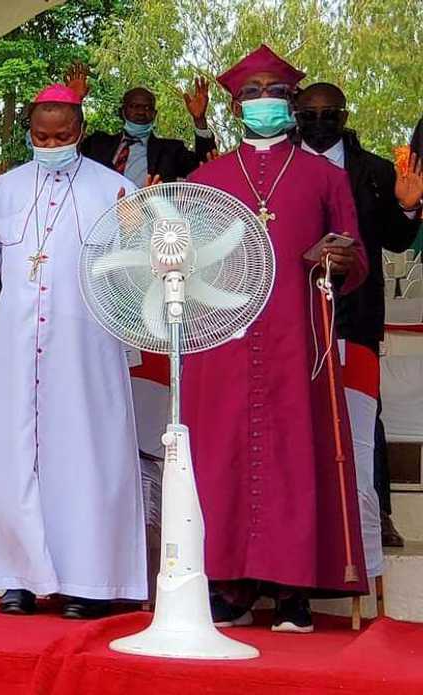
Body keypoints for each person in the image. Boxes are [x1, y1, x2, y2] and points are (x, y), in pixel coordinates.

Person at [0, 83, 147, 619]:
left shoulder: (115, 188)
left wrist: (137, 236)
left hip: (84, 345)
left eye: (63, 135)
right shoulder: (5, 186)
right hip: (16, 340)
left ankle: (90, 582)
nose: (51, 143)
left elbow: (133, 274)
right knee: (12, 455)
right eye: (41, 135)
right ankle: (19, 576)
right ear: (29, 132)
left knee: (84, 458)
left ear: (79, 130)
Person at [184, 45, 369, 633]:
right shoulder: (206, 177)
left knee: (296, 455)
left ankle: (294, 592)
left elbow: (356, 255)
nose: (266, 101)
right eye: (254, 93)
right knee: (225, 458)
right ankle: (231, 588)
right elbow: (183, 261)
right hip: (225, 339)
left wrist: (337, 259)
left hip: (299, 339)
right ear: (237, 106)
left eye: (277, 93)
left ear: (290, 103)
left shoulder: (327, 176)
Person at [295, 82, 423, 559]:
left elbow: (395, 239)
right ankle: (304, 508)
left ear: (344, 117)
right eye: (310, 114)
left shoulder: (374, 171)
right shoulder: (281, 168)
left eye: (330, 114)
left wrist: (409, 205)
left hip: (357, 310)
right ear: (296, 116)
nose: (320, 123)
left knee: (364, 411)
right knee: (298, 407)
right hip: (296, 309)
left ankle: (376, 512)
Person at [79, 75, 216, 186]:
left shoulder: (172, 150)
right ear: (122, 111)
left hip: (146, 217)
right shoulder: (96, 144)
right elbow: (67, 146)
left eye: (147, 108)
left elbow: (207, 168)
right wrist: (75, 100)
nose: (140, 112)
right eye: (134, 106)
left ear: (154, 115)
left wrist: (199, 120)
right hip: (97, 215)